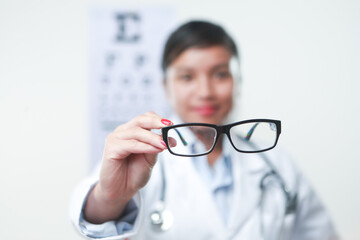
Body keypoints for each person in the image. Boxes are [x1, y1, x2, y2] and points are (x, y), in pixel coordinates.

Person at [70, 20, 339, 240]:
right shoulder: (141, 155)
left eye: (220, 74)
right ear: (166, 86)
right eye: (187, 77)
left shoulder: (276, 165)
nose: (206, 92)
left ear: (237, 80)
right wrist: (111, 197)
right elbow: (94, 221)